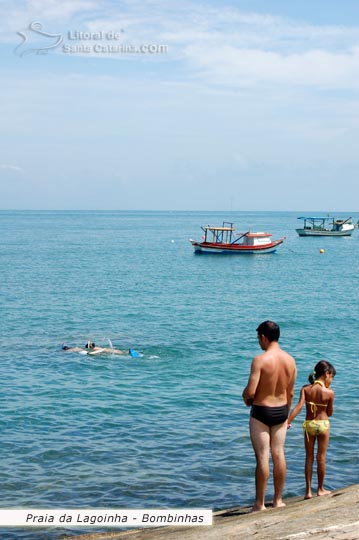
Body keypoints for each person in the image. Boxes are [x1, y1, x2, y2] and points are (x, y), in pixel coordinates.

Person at [242, 321, 297, 511]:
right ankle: (278, 500)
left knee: (263, 457)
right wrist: (287, 416)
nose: (259, 342)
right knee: (279, 454)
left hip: (261, 412)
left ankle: (259, 504)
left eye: (258, 338)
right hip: (281, 411)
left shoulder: (260, 360)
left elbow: (250, 391)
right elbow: (290, 393)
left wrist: (246, 397)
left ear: (263, 337)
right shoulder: (290, 360)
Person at [287, 360, 336, 499]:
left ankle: (308, 491)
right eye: (331, 377)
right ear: (327, 374)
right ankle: (320, 489)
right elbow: (330, 413)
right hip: (323, 425)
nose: (331, 380)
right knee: (321, 457)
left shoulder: (305, 389)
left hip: (309, 425)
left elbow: (299, 407)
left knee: (309, 457)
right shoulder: (329, 393)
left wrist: (288, 421)